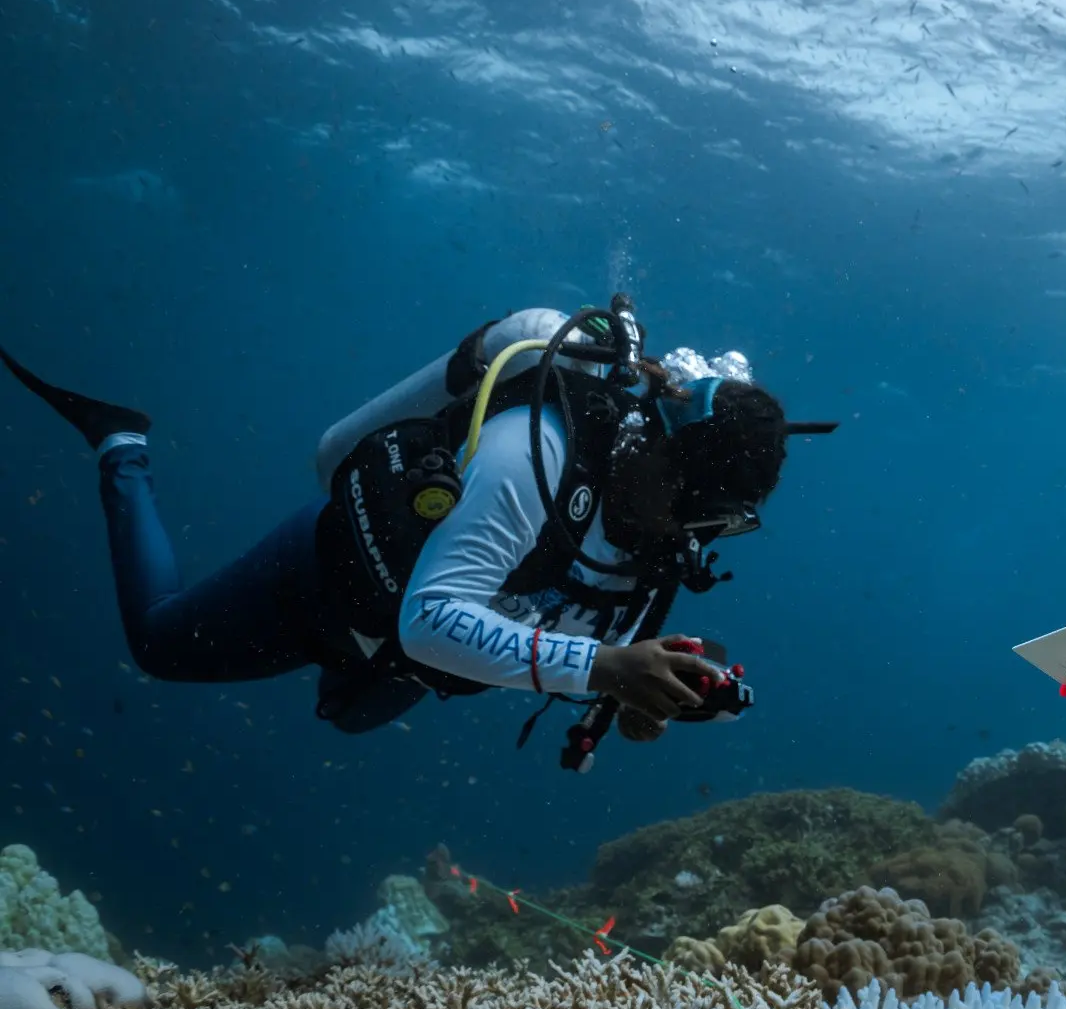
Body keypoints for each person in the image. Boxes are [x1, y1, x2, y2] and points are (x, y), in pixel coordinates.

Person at [4, 300, 816, 745]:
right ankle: (122, 443)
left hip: (400, 658)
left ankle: (349, 680)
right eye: (692, 511)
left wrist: (655, 692)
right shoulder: (533, 452)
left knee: (348, 718)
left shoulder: (668, 536)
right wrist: (606, 671)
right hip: (329, 583)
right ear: (660, 452)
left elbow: (573, 635)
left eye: (717, 526)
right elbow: (434, 620)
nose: (688, 539)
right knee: (158, 644)